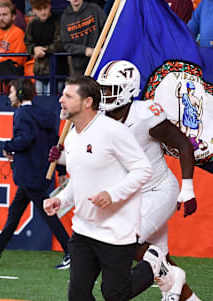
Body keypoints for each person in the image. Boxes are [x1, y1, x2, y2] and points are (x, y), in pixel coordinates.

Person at [43, 76, 169, 301]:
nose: (60, 99)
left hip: (116, 230)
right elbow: (79, 180)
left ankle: (153, 265)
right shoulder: (72, 137)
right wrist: (61, 200)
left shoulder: (113, 131)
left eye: (68, 96)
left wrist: (112, 194)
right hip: (83, 229)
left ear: (87, 102)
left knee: (114, 295)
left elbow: (143, 170)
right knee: (78, 295)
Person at [96, 60, 201, 301]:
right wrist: (62, 156)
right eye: (102, 89)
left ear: (127, 90)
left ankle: (174, 277)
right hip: (132, 197)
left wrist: (188, 188)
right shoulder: (99, 120)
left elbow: (184, 144)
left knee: (125, 240)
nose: (104, 95)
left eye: (110, 89)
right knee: (158, 259)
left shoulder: (145, 115)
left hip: (158, 189)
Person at [0, 79, 71, 269]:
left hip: (28, 174)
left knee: (46, 213)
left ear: (19, 93)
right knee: (15, 214)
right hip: (40, 173)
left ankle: (71, 253)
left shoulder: (21, 114)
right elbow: (55, 144)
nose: (9, 95)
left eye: (11, 91)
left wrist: (7, 146)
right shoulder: (44, 114)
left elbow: (24, 140)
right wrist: (59, 169)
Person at [60, 0, 106, 76]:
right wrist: (85, 50)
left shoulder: (94, 9)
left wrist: (101, 48)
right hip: (78, 66)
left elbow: (107, 29)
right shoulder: (65, 17)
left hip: (99, 59)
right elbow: (66, 44)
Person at [25, 0, 64, 95]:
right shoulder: (32, 23)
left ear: (49, 6)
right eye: (39, 9)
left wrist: (43, 50)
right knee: (40, 100)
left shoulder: (58, 20)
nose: (43, 12)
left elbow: (60, 42)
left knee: (52, 100)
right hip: (39, 71)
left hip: (57, 69)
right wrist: (33, 49)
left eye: (45, 8)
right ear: (33, 10)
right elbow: (27, 42)